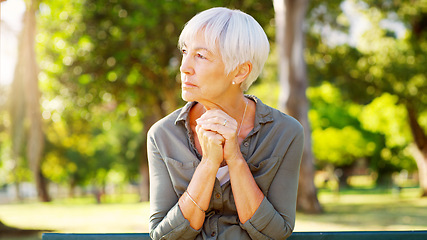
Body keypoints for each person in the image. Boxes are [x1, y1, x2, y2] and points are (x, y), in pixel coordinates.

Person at [148, 7, 304, 240]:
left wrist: (234, 158)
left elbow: (275, 234)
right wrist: (209, 164)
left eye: (200, 56)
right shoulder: (162, 135)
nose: (184, 67)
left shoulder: (286, 133)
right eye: (185, 51)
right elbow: (164, 236)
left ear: (241, 72)